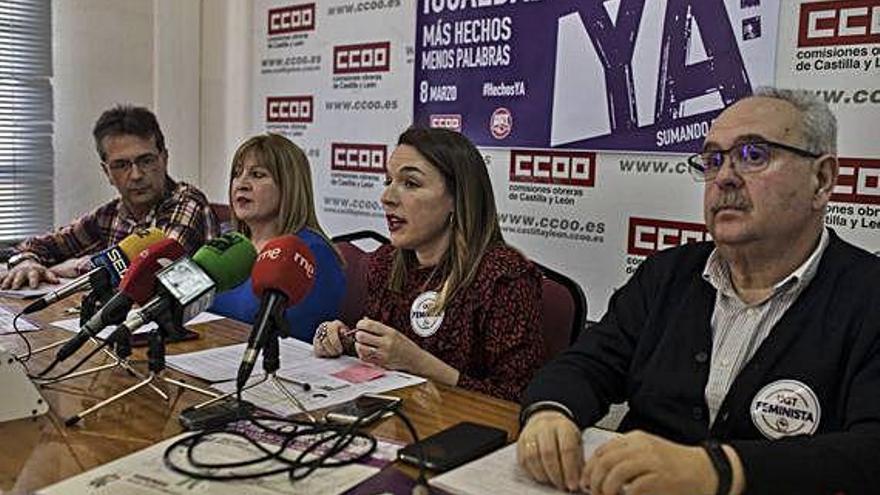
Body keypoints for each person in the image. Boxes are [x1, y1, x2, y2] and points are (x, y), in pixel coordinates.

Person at [517, 87, 880, 495]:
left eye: (753, 155)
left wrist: (720, 471)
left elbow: (869, 450)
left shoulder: (868, 296)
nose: (724, 176)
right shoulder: (667, 273)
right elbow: (586, 364)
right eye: (713, 159)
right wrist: (552, 412)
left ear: (822, 180)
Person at [312, 127, 544, 402]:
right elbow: (381, 364)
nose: (386, 197)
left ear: (457, 199)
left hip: (465, 431)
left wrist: (419, 363)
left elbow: (516, 400)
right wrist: (343, 340)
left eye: (410, 183)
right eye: (388, 181)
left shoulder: (504, 277)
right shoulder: (386, 263)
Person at [1, 105, 220, 289]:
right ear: (107, 172)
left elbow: (149, 270)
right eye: (121, 165)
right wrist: (26, 262)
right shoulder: (110, 214)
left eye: (146, 161)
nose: (136, 175)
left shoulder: (187, 202)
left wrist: (73, 267)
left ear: (164, 158)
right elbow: (38, 245)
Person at [208, 134, 345, 342]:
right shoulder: (229, 243)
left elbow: (293, 338)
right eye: (237, 174)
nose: (241, 184)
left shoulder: (311, 253)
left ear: (288, 186)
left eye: (257, 175)